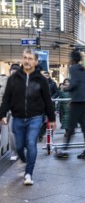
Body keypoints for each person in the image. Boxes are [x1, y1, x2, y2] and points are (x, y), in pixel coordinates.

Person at [0, 48, 56, 185]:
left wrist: (52, 119)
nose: (27, 61)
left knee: (31, 143)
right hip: (17, 117)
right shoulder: (13, 78)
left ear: (36, 62)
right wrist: (2, 114)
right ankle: (25, 159)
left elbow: (47, 100)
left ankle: (28, 173)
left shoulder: (41, 79)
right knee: (18, 147)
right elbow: (6, 98)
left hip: (35, 117)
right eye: (25, 58)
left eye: (30, 58)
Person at [56, 50, 85, 160]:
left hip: (77, 101)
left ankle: (64, 150)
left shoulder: (73, 68)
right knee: (84, 126)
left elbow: (75, 83)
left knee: (71, 127)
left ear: (72, 58)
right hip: (84, 100)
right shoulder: (83, 69)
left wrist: (65, 88)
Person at [0, 64, 20, 161]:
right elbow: (3, 97)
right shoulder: (5, 82)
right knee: (12, 132)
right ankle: (14, 152)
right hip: (11, 112)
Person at [38, 71, 59, 142]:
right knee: (42, 121)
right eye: (44, 75)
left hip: (50, 105)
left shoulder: (53, 83)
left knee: (51, 120)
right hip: (41, 105)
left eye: (47, 75)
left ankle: (50, 136)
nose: (45, 77)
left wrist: (52, 98)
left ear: (49, 76)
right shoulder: (39, 83)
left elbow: (57, 92)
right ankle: (40, 134)